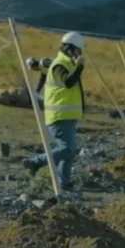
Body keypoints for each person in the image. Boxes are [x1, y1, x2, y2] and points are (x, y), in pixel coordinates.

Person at [24, 32, 86, 190]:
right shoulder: (60, 65)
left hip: (68, 115)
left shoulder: (64, 63)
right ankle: (35, 162)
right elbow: (68, 82)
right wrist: (80, 66)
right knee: (66, 149)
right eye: (78, 51)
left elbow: (42, 66)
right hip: (59, 116)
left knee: (69, 151)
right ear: (71, 49)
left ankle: (63, 183)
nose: (79, 54)